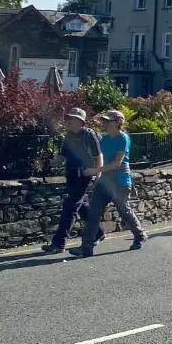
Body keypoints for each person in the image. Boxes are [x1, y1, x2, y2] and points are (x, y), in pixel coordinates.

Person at [69, 110, 148, 258]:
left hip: (119, 182)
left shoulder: (122, 138)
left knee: (124, 211)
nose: (104, 123)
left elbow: (117, 163)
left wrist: (95, 170)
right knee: (93, 214)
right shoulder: (104, 139)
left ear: (118, 122)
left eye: (107, 121)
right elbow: (99, 158)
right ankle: (86, 247)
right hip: (104, 182)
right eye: (104, 120)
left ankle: (139, 234)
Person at [41, 108, 106, 254]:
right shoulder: (68, 136)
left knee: (69, 207)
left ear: (80, 122)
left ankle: (59, 243)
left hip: (83, 175)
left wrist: (98, 173)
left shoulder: (89, 135)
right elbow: (63, 156)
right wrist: (54, 162)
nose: (68, 120)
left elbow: (98, 155)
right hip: (71, 175)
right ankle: (98, 232)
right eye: (68, 118)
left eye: (72, 118)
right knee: (82, 206)